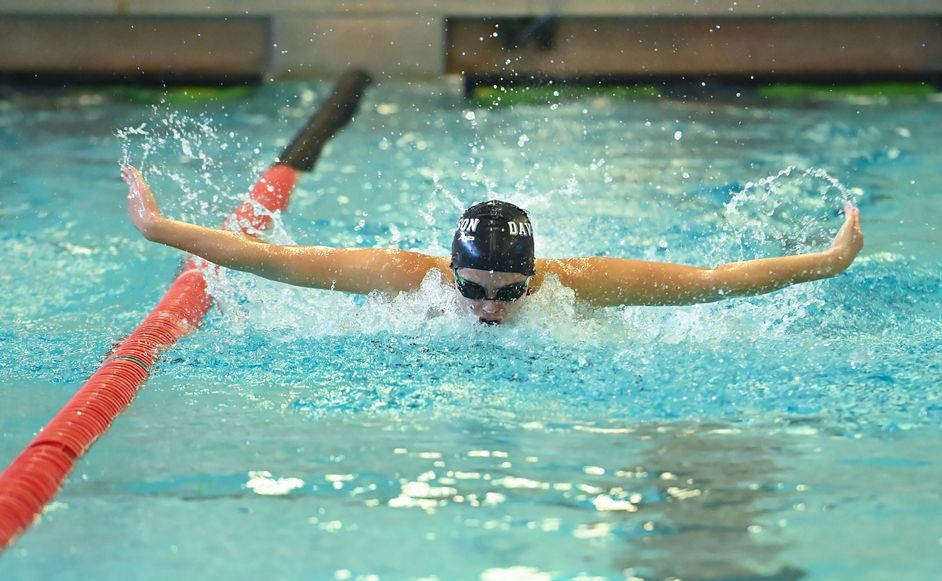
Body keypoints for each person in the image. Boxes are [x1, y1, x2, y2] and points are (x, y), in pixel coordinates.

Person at [122, 164, 863, 325]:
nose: (487, 308)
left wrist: (826, 263)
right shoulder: (411, 279)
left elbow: (708, 281)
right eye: (472, 289)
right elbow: (277, 262)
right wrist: (161, 231)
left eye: (508, 291)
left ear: (533, 278)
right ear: (452, 271)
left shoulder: (575, 285)